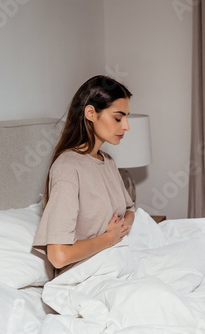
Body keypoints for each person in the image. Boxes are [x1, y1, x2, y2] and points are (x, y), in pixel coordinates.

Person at [33, 75, 135, 270]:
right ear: (90, 113)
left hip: (114, 262)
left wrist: (119, 228)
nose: (126, 126)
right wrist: (109, 238)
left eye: (126, 117)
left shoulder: (108, 162)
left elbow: (130, 210)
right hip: (85, 277)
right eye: (118, 117)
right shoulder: (68, 168)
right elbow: (59, 255)